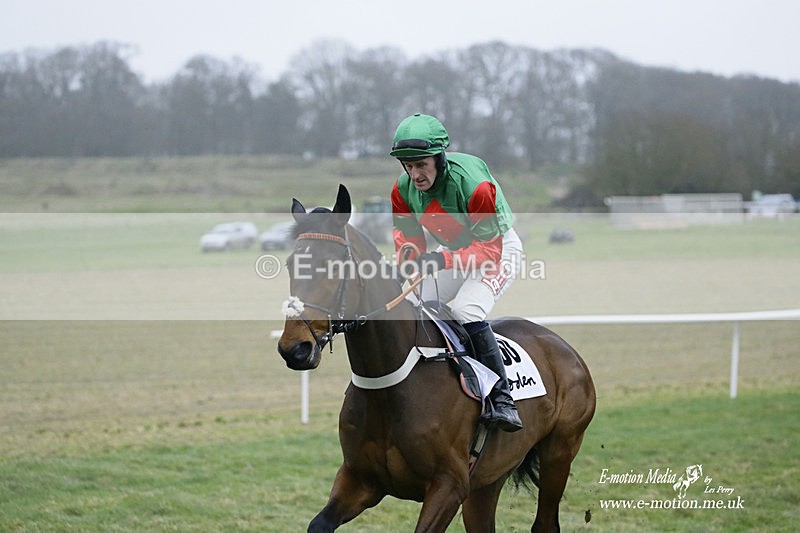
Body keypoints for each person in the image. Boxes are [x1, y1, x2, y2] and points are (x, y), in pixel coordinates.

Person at [389, 113, 523, 432]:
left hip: (497, 249)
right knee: (422, 305)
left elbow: (488, 251)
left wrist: (439, 261)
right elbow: (408, 242)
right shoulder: (402, 190)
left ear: (439, 158)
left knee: (465, 310)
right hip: (454, 252)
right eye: (408, 166)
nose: (415, 174)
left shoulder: (474, 186)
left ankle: (502, 400)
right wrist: (406, 268)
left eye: (421, 164)